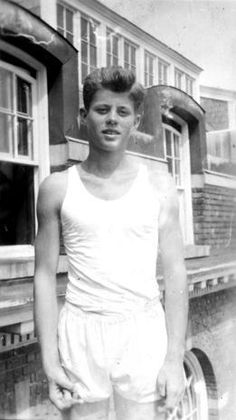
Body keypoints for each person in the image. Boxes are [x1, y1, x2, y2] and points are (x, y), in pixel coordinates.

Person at [34, 66, 188, 420]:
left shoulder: (159, 186)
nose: (112, 120)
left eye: (122, 112)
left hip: (141, 328)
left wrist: (174, 358)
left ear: (135, 122)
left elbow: (177, 273)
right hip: (81, 329)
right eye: (102, 110)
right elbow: (43, 275)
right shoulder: (57, 188)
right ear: (83, 115)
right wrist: (50, 360)